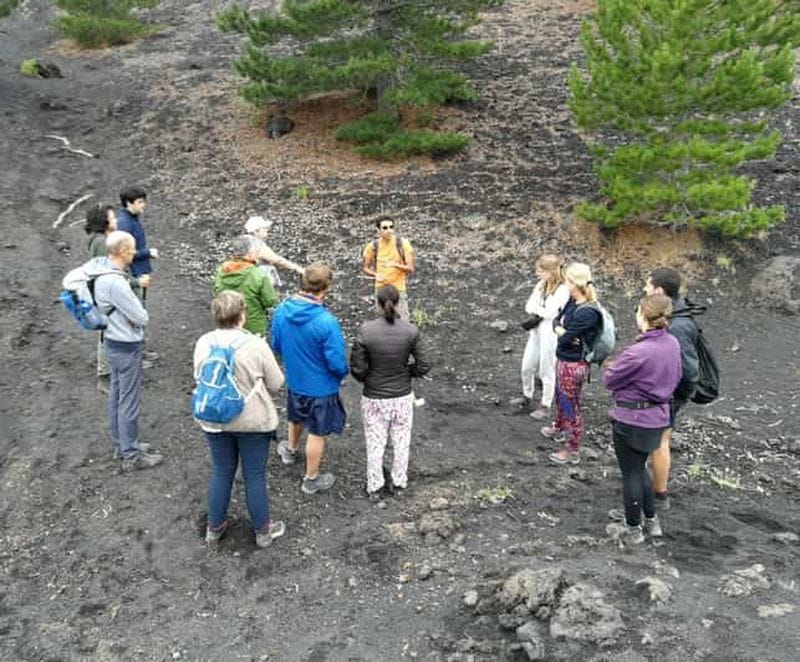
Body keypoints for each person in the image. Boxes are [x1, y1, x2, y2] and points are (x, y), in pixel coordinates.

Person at [193, 291, 286, 548]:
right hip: (251, 422)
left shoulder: (203, 342)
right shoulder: (255, 345)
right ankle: (262, 532)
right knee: (254, 475)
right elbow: (277, 384)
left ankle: (214, 528)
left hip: (214, 419)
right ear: (242, 316)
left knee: (222, 471)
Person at [602, 294, 682, 544]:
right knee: (640, 469)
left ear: (642, 316)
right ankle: (652, 521)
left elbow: (609, 379)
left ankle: (634, 529)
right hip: (657, 419)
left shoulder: (638, 352)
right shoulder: (672, 344)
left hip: (631, 419)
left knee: (631, 475)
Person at [271, 264, 348, 494]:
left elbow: (275, 343)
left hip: (296, 381)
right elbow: (336, 361)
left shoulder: (282, 310)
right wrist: (341, 373)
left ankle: (290, 449)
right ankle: (311, 478)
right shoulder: (326, 322)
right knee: (317, 431)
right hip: (321, 388)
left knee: (296, 417)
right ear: (325, 288)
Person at [89, 231, 162, 471]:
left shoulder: (102, 273)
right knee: (129, 400)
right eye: (131, 250)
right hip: (126, 345)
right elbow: (141, 317)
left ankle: (121, 443)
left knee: (117, 396)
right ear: (123, 252)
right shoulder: (116, 282)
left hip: (111, 341)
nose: (134, 253)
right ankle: (130, 455)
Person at [350, 284, 431, 499]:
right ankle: (399, 483)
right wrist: (406, 373)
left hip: (374, 397)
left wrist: (370, 378)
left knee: (375, 443)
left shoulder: (366, 331)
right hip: (402, 396)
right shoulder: (411, 331)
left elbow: (357, 368)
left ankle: (375, 487)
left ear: (377, 303)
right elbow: (424, 365)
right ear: (398, 303)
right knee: (401, 442)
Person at [644, 267, 702, 509]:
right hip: (665, 391)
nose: (644, 289)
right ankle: (655, 486)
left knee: (659, 441)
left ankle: (659, 495)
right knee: (656, 440)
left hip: (667, 393)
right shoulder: (674, 314)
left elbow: (689, 371)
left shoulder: (677, 325)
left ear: (658, 290)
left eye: (647, 285)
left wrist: (673, 395)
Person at [542, 262, 602, 465]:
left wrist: (562, 331)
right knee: (561, 397)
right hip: (564, 358)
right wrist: (562, 330)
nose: (564, 282)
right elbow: (556, 321)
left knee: (570, 405)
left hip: (574, 365)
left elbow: (565, 336)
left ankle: (572, 448)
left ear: (574, 283)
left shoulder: (587, 312)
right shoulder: (572, 301)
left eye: (567, 279)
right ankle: (559, 429)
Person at [520, 255, 570, 419]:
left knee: (546, 368)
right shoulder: (541, 285)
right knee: (527, 366)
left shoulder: (563, 290)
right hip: (536, 330)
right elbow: (529, 306)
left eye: (541, 270)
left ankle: (545, 404)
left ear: (551, 272)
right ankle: (527, 396)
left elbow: (550, 312)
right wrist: (541, 311)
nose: (537, 273)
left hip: (550, 332)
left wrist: (539, 310)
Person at [116, 186, 159, 363]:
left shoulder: (132, 218)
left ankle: (139, 350)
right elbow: (125, 253)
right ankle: (134, 355)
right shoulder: (125, 223)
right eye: (140, 202)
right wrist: (148, 253)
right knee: (133, 314)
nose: (144, 205)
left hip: (136, 272)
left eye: (144, 201)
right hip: (131, 275)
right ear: (129, 203)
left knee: (137, 311)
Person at [213, 235, 278, 338]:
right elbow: (270, 301)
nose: (257, 253)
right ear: (250, 252)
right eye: (256, 250)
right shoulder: (258, 274)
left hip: (228, 324)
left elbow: (217, 291)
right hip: (253, 327)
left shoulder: (222, 270)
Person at [362, 217, 415, 320]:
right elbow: (366, 268)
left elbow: (410, 268)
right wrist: (376, 275)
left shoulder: (402, 243)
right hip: (381, 288)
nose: (388, 231)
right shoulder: (373, 246)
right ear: (378, 230)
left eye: (391, 227)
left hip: (398, 288)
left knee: (403, 319)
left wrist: (395, 265)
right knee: (382, 320)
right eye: (385, 228)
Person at [244, 215, 305, 288]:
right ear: (256, 231)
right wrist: (297, 268)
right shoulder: (258, 245)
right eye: (264, 228)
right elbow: (277, 259)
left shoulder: (250, 244)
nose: (267, 230)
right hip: (262, 279)